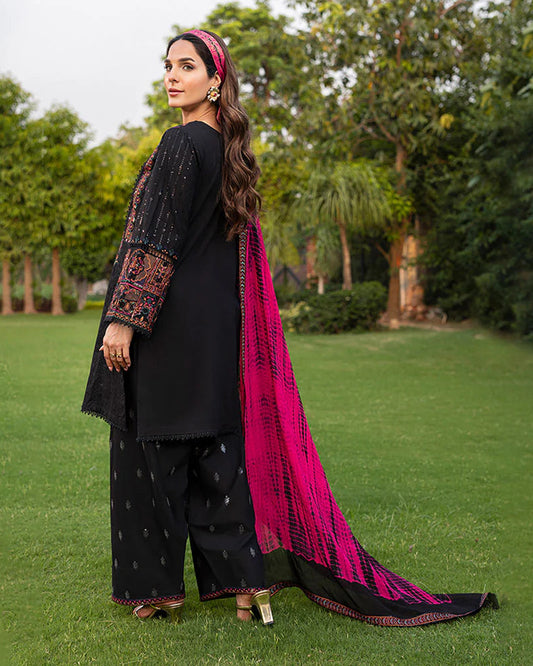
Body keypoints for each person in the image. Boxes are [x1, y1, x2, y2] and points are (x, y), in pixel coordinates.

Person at [83, 29, 497, 627]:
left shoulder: (180, 143)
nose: (172, 75)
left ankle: (157, 591)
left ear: (215, 81)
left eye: (187, 66)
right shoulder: (231, 154)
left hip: (168, 327)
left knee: (156, 457)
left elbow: (155, 241)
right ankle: (250, 590)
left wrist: (124, 320)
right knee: (219, 460)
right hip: (219, 331)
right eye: (168, 65)